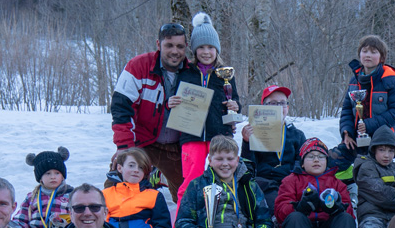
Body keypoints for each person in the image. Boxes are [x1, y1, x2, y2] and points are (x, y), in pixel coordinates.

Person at [112, 20, 191, 193]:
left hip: (176, 146)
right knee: (116, 185)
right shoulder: (138, 66)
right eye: (169, 45)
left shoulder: (192, 72)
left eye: (180, 46)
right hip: (142, 141)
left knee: (189, 195)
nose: (175, 51)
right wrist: (125, 148)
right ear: (158, 44)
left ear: (186, 46)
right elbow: (121, 109)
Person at [176, 135, 276, 228]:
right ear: (210, 160)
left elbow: (265, 222)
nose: (225, 164)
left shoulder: (249, 186)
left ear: (237, 160)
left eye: (230, 159)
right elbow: (182, 222)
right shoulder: (197, 185)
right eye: (219, 159)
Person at [171, 12, 242, 192]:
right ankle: (183, 219)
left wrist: (235, 106)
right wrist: (169, 102)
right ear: (195, 50)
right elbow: (171, 98)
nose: (206, 52)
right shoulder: (184, 72)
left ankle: (224, 218)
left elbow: (235, 101)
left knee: (223, 179)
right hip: (190, 134)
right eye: (201, 47)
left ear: (217, 49)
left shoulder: (225, 74)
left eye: (210, 47)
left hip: (219, 134)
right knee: (190, 182)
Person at [274, 138, 356, 228]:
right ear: (302, 162)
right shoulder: (291, 181)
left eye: (321, 157)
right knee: (295, 218)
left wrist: (337, 208)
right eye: (311, 156)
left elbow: (349, 213)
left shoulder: (337, 183)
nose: (316, 160)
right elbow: (280, 211)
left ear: (327, 161)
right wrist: (300, 207)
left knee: (344, 218)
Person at [241, 84, 309, 208]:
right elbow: (248, 166)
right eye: (273, 103)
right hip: (264, 183)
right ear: (263, 108)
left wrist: (293, 179)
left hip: (290, 182)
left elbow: (302, 163)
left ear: (287, 108)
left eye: (282, 103)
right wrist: (246, 142)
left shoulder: (297, 135)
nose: (278, 107)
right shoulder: (254, 133)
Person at [105, 148, 175, 228]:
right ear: (120, 167)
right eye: (131, 165)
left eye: (141, 167)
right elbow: (100, 227)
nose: (136, 170)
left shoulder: (155, 196)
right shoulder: (105, 195)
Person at [338, 35, 395, 148]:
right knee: (331, 159)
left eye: (373, 52)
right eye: (364, 51)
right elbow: (347, 110)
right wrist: (347, 132)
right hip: (356, 139)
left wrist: (368, 125)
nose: (368, 55)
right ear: (359, 55)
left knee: (367, 165)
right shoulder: (354, 81)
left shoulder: (390, 80)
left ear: (382, 58)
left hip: (384, 142)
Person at [11, 147, 74, 228]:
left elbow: (77, 218)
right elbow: (21, 219)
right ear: (40, 178)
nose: (53, 177)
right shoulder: (32, 197)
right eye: (48, 173)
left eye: (57, 173)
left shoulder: (71, 195)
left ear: (63, 176)